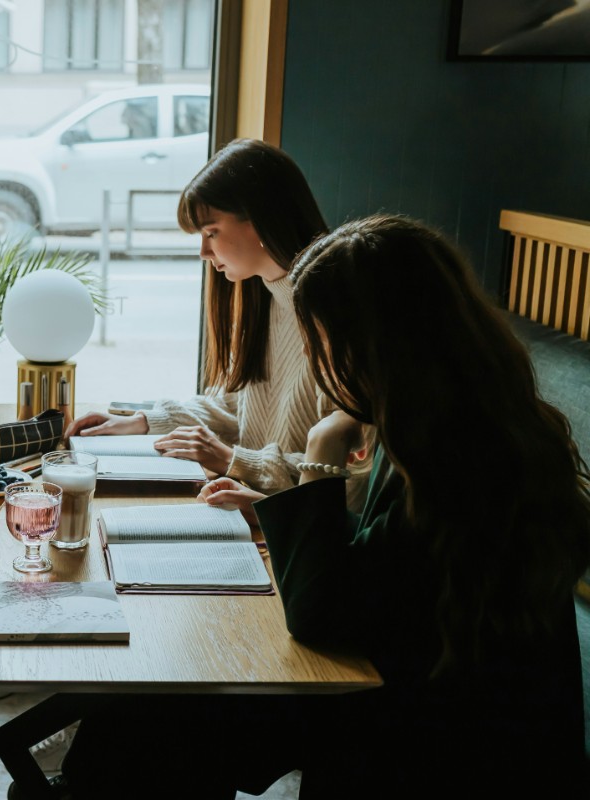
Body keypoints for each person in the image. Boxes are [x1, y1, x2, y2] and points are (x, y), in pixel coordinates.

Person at [60, 215, 590, 797]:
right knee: (150, 714)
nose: (317, 360)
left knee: (152, 721)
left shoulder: (459, 460)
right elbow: (389, 561)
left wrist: (320, 450)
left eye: (321, 340)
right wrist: (273, 506)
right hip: (417, 692)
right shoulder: (461, 424)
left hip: (440, 738)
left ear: (374, 343)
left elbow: (321, 613)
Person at [67, 138, 348, 495]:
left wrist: (234, 459)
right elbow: (234, 410)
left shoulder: (335, 320)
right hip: (251, 503)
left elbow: (342, 475)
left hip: (286, 524)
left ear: (262, 219)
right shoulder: (262, 295)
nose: (203, 251)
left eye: (211, 232)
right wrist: (143, 422)